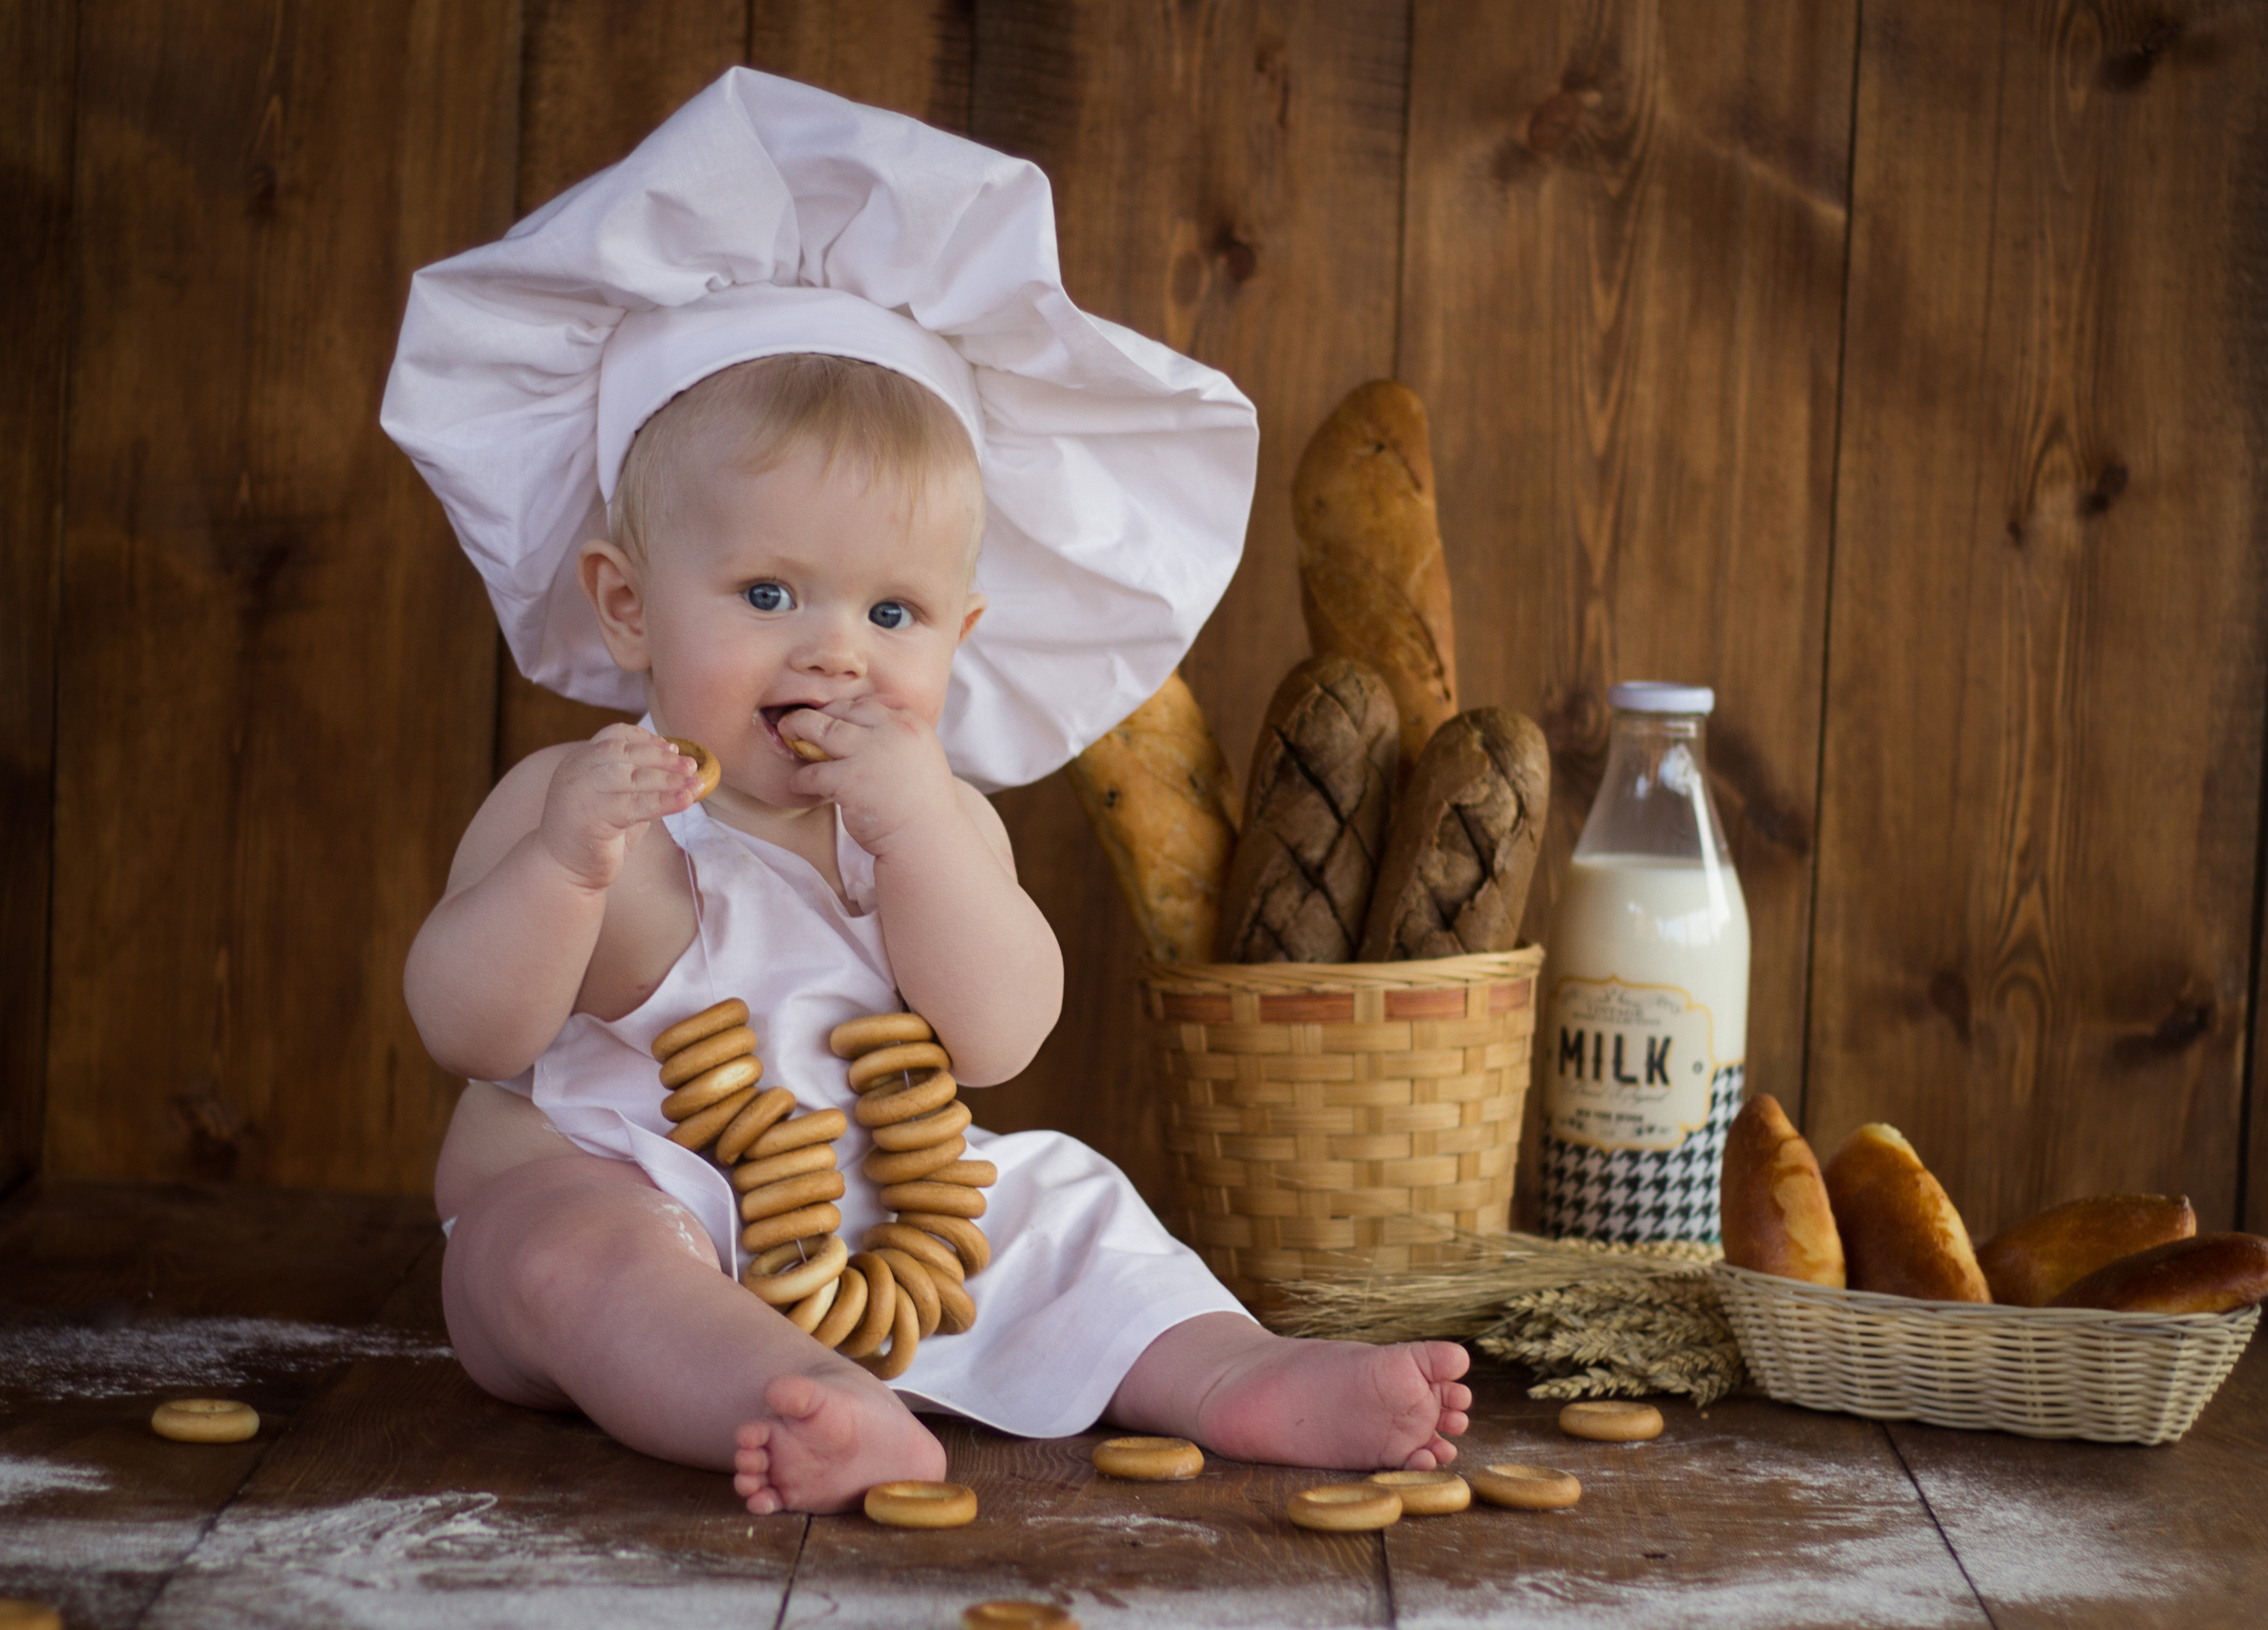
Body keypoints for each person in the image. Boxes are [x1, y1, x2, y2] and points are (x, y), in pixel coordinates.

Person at [383, 69, 1470, 1515]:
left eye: (892, 615)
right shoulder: (585, 803)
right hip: (630, 1182)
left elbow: (1003, 1030)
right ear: (629, 608)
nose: (834, 648)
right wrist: (565, 870)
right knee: (546, 1261)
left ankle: (1234, 1372)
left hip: (892, 1208)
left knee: (1069, 1203)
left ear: (961, 641)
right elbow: (467, 1023)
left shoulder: (928, 822)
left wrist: (917, 837)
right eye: (768, 591)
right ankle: (791, 1398)